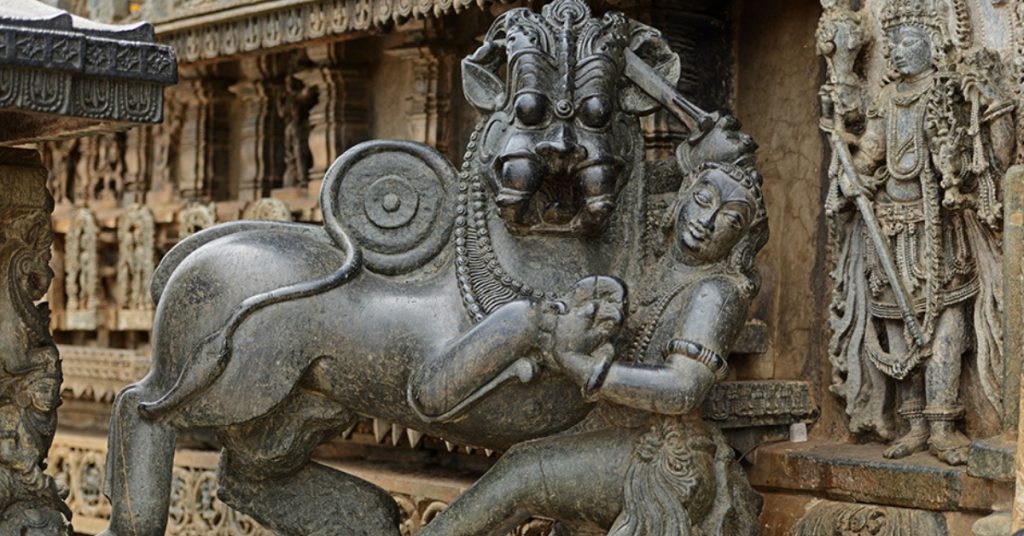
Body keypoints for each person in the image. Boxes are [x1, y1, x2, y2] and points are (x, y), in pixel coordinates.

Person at [415, 160, 768, 536]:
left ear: (741, 241)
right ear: (682, 199)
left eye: (730, 220)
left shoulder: (717, 291)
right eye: (702, 199)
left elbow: (683, 388)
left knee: (522, 473)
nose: (707, 221)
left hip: (664, 456)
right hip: (618, 433)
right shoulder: (659, 270)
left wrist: (587, 370)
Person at [826, 0, 1012, 464]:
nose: (898, 51)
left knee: (947, 324)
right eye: (893, 43)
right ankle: (913, 424)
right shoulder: (886, 100)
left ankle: (944, 424)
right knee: (898, 326)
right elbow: (872, 152)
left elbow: (967, 158)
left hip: (940, 230)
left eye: (910, 41)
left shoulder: (944, 93)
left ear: (933, 43)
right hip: (889, 230)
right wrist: (856, 176)